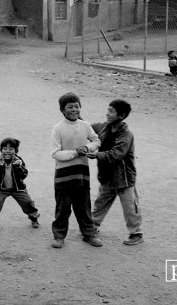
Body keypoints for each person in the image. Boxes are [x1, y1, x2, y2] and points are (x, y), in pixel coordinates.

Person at [50, 92, 102, 248]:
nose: (74, 110)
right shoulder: (58, 129)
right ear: (62, 110)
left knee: (83, 206)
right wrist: (74, 153)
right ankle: (59, 236)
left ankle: (89, 234)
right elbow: (55, 153)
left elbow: (96, 140)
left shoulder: (85, 126)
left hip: (81, 174)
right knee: (63, 208)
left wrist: (87, 147)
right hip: (63, 176)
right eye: (70, 107)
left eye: (77, 106)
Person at [90, 99, 143, 246]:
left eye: (111, 111)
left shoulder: (126, 134)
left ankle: (136, 233)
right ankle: (92, 227)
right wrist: (76, 120)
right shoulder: (104, 127)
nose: (107, 114)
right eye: (108, 110)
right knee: (101, 202)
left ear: (121, 115)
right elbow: (88, 128)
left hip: (123, 178)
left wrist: (97, 155)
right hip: (107, 176)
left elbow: (116, 153)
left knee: (130, 206)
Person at [0, 137, 40, 233]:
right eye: (5, 149)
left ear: (16, 151)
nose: (7, 151)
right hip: (1, 189)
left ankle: (34, 218)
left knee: (27, 202)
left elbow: (24, 175)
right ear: (1, 150)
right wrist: (0, 166)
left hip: (17, 188)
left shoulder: (18, 160)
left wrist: (17, 166)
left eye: (11, 149)